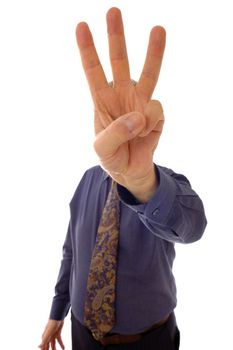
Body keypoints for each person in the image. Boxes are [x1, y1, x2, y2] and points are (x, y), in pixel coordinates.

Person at [39, 7, 207, 350]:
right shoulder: (86, 181)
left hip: (150, 342)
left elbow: (194, 227)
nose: (119, 125)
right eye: (111, 116)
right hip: (82, 336)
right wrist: (57, 310)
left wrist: (142, 183)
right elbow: (71, 251)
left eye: (127, 117)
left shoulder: (163, 186)